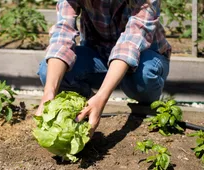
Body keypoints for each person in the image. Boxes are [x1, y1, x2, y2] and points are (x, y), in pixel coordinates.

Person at [36, 0, 171, 137]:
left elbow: (130, 44)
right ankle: (86, 109)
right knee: (47, 71)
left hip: (144, 56)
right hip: (99, 54)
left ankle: (146, 108)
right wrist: (48, 94)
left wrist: (102, 97)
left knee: (144, 76)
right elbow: (62, 35)